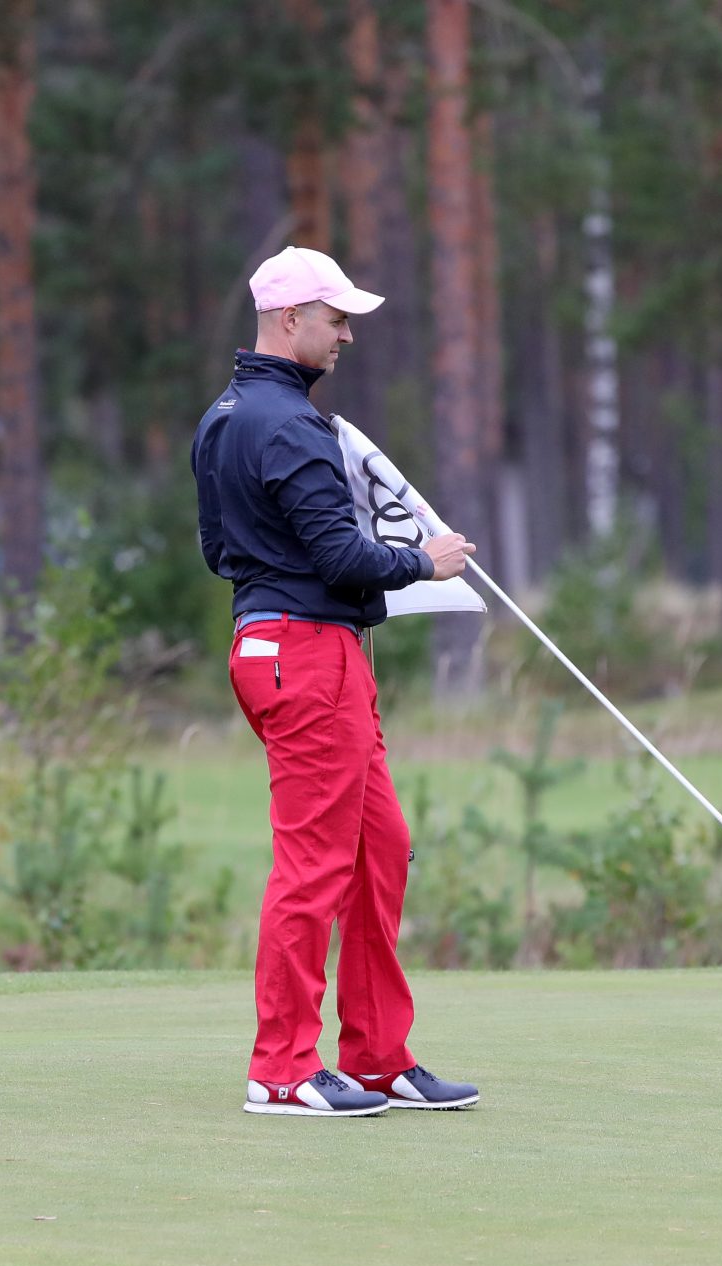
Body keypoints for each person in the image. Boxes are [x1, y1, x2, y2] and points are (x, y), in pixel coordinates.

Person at [192, 246, 482, 1117]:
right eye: (336, 319)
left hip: (288, 646)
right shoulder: (289, 424)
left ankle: (378, 1057)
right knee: (315, 863)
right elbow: (342, 556)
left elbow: (218, 552)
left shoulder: (223, 417)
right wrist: (424, 561)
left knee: (378, 848)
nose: (347, 335)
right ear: (291, 320)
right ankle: (281, 1068)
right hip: (306, 653)